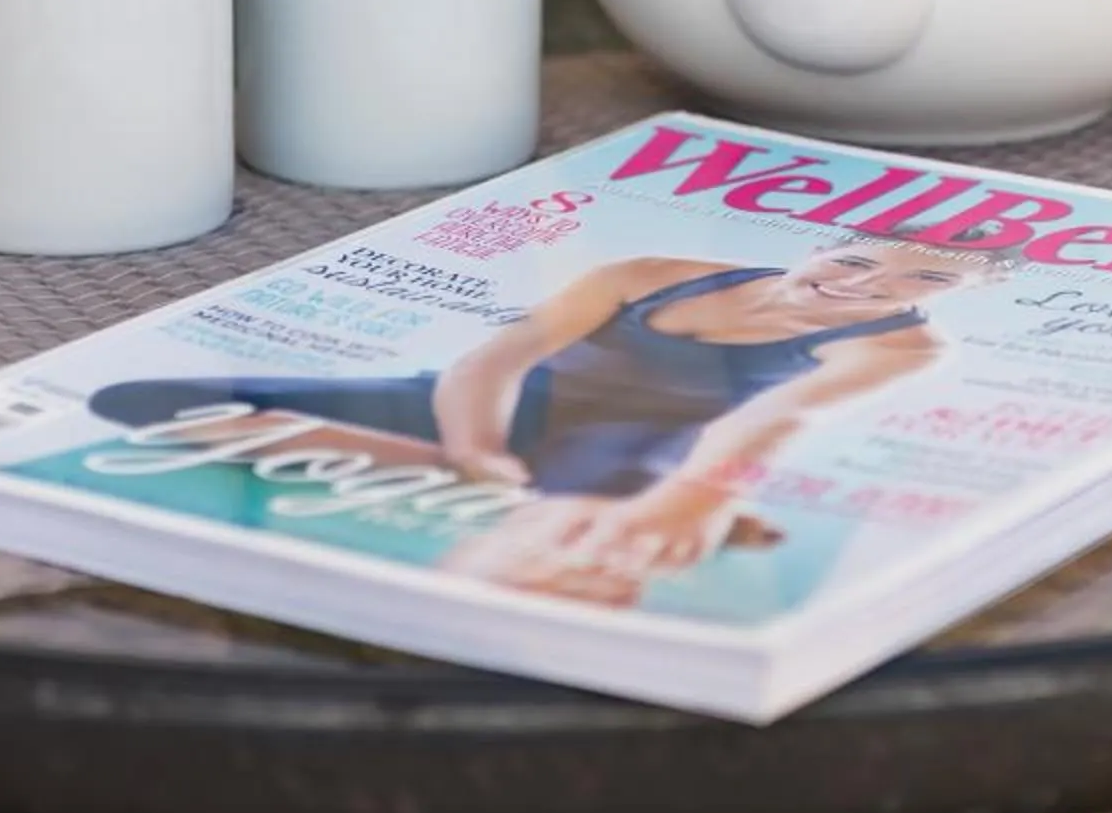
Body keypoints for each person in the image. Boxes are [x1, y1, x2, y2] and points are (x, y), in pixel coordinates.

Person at [90, 231, 1011, 597]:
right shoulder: (655, 273)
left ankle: (586, 502)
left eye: (922, 280)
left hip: (629, 451)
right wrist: (475, 445)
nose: (871, 285)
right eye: (858, 260)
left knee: (580, 534)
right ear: (824, 244)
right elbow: (499, 355)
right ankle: (472, 478)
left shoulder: (903, 344)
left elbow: (767, 422)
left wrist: (694, 491)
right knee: (142, 402)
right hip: (492, 411)